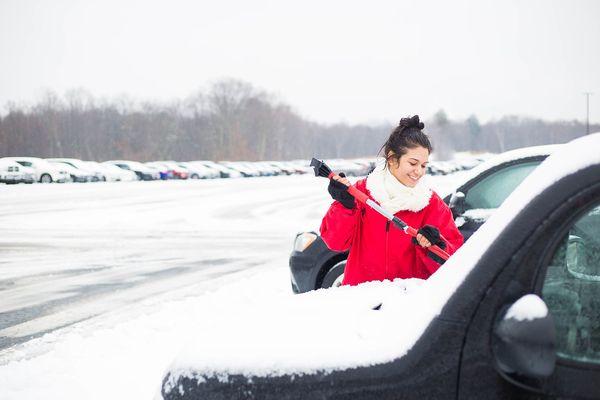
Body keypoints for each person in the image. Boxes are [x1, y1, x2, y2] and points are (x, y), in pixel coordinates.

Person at [319, 115, 463, 286]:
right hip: (361, 300)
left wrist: (436, 244)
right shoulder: (361, 193)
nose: (419, 171)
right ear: (393, 159)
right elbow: (335, 242)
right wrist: (344, 206)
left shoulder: (432, 204)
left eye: (424, 165)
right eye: (413, 163)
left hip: (407, 301)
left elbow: (453, 262)